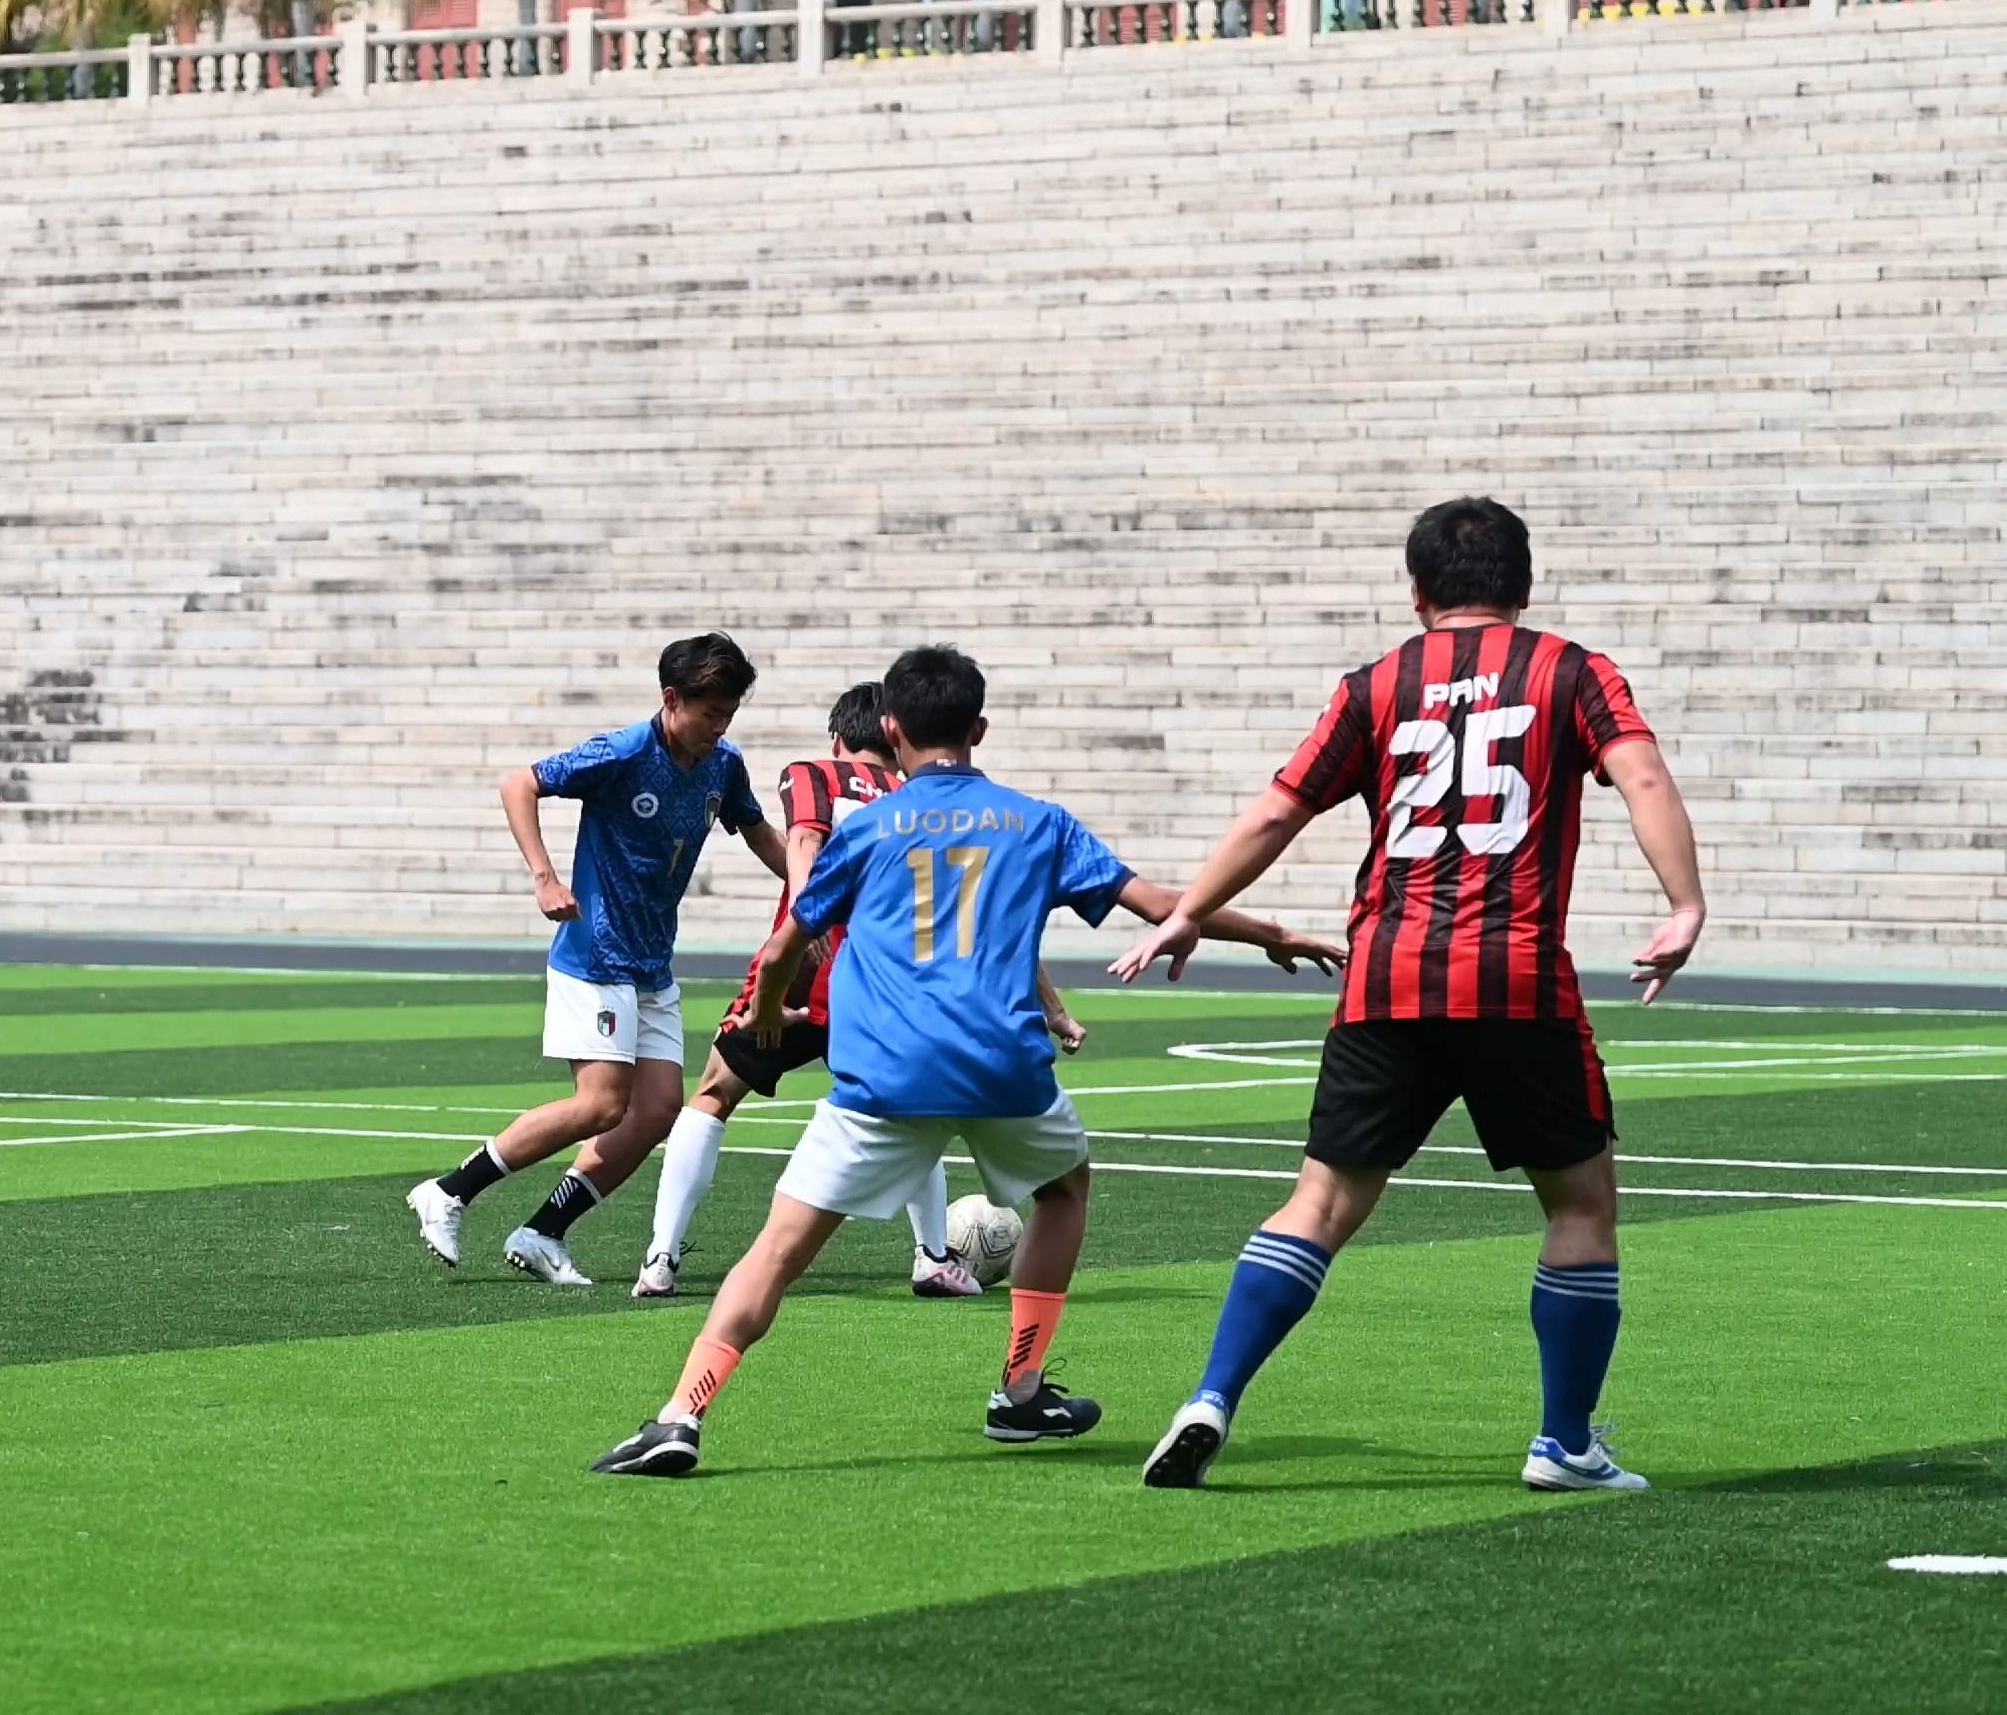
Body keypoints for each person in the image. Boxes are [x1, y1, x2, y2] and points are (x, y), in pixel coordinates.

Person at [592, 645, 1341, 1478]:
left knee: (776, 1250)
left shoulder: (868, 826)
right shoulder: (1036, 820)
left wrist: (769, 1017)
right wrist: (1275, 934)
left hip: (884, 1078)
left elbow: (779, 954)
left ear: (889, 729)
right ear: (979, 728)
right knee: (1064, 1191)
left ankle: (680, 1416)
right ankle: (1020, 1392)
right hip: (1004, 1073)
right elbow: (1166, 907)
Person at [1116, 497, 1706, 1496]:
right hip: (1515, 983)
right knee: (1579, 1205)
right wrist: (1684, 904)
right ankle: (1564, 1445)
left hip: (1385, 979)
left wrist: (1191, 909)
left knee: (1322, 1202)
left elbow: (1276, 810)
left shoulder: (1377, 683)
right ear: (1522, 586)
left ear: (1419, 589)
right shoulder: (1572, 669)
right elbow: (1641, 777)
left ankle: (1212, 1396)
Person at [633, 681, 1036, 1301]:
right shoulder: (918, 799)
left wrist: (806, 916)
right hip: (887, 984)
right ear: (896, 738)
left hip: (805, 966)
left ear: (839, 738)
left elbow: (804, 840)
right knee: (913, 1112)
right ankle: (932, 1257)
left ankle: (661, 1259)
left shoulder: (813, 773)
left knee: (713, 1095)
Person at [408, 634, 787, 1288]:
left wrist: (820, 895)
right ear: (672, 700)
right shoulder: (622, 753)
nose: (720, 727)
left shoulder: (723, 766)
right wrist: (543, 877)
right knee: (601, 1106)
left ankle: (543, 1231)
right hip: (595, 955)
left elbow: (758, 832)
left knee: (660, 1108)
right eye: (710, 714)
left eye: (728, 715)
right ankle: (448, 1191)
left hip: (650, 963)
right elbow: (518, 783)